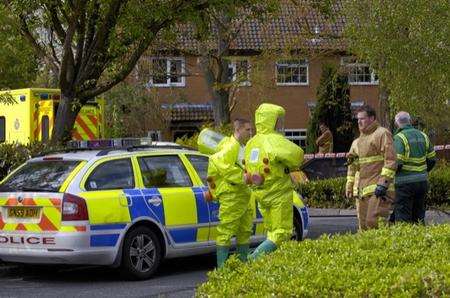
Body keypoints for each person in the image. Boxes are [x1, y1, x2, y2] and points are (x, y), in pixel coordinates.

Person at [244, 103, 303, 259]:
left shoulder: (251, 142)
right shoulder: (274, 140)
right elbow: (297, 155)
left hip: (261, 195)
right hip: (278, 193)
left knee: (271, 230)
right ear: (272, 120)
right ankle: (253, 258)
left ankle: (270, 262)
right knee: (281, 232)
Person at [203, 119, 253, 268]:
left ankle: (241, 267)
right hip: (232, 195)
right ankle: (222, 270)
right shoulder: (231, 146)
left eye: (251, 130)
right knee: (226, 231)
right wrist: (243, 177)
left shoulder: (239, 146)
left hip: (241, 195)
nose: (251, 133)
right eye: (248, 130)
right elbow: (221, 164)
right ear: (238, 130)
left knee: (244, 230)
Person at [345, 105, 397, 230]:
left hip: (379, 190)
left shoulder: (382, 133)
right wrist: (349, 185)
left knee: (374, 223)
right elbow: (353, 166)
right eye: (357, 119)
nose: (359, 122)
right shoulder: (357, 141)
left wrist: (383, 184)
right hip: (363, 192)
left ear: (372, 118)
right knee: (363, 226)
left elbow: (390, 160)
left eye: (362, 118)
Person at [392, 111, 436, 223]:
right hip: (422, 182)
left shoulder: (399, 138)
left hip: (404, 184)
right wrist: (423, 172)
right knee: (418, 217)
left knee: (403, 218)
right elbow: (432, 159)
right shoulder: (423, 136)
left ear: (396, 123)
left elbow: (398, 163)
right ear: (410, 121)